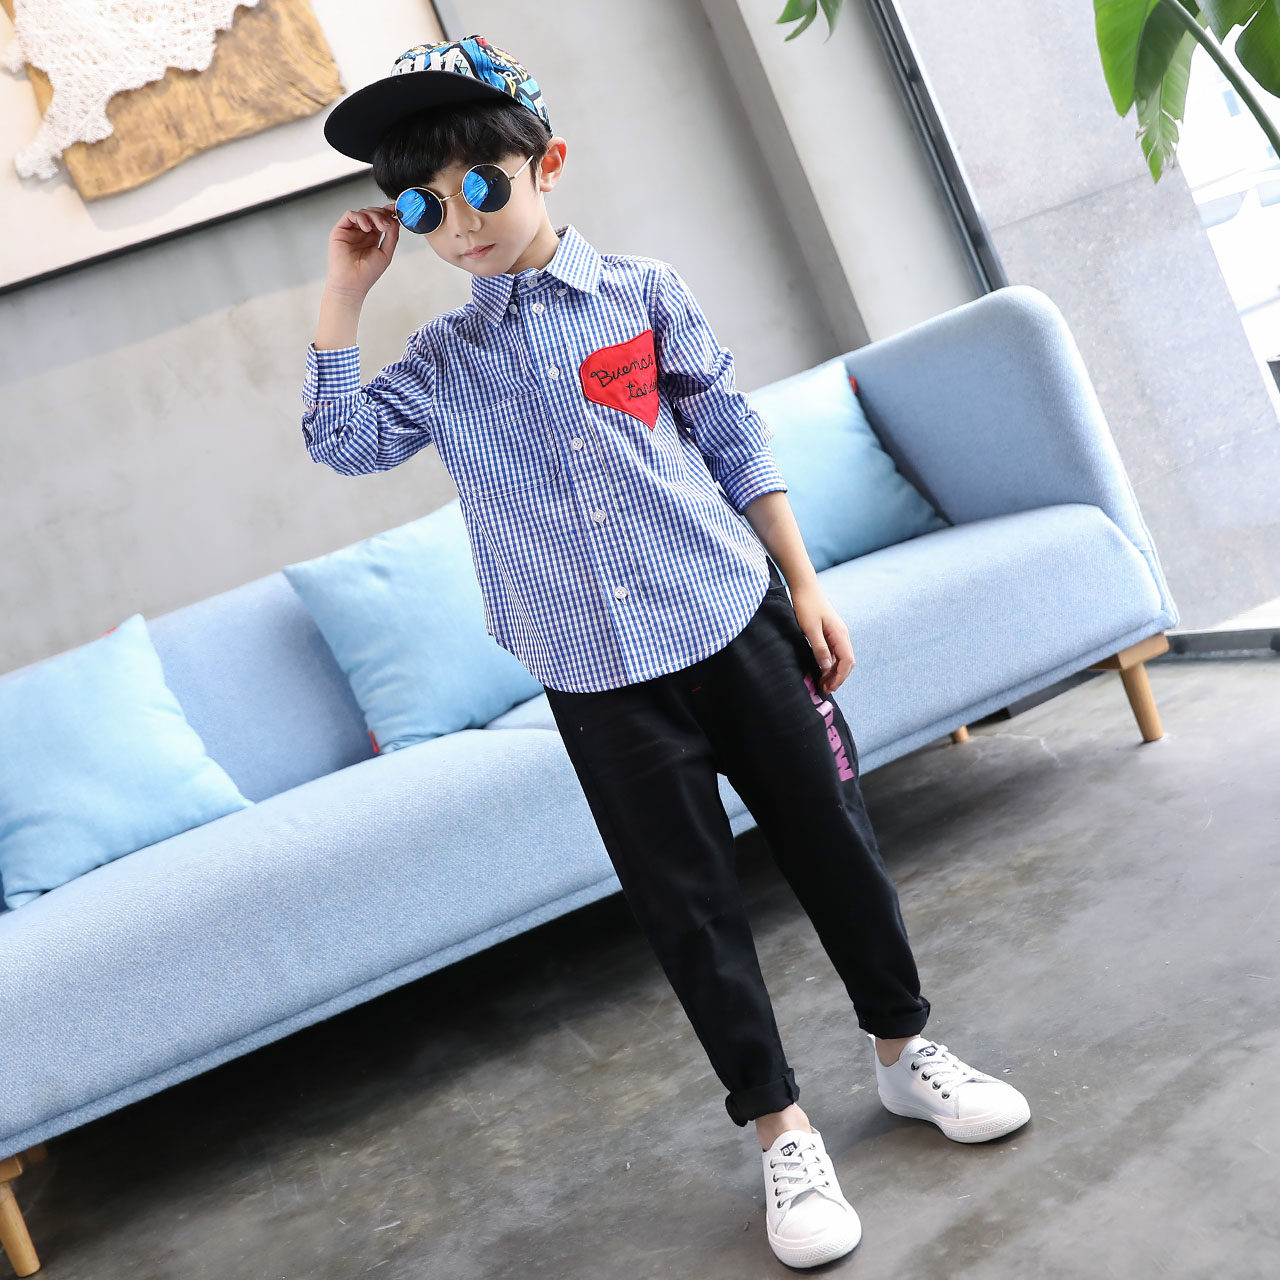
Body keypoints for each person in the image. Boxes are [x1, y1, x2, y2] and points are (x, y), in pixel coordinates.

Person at [303, 33, 1031, 1269]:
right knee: (685, 908)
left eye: (481, 186)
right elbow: (341, 443)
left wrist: (802, 586)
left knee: (834, 842)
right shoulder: (439, 365)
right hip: (596, 679)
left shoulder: (642, 291)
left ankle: (905, 1050)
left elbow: (731, 437)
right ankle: (779, 1129)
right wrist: (344, 296)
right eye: (424, 207)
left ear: (546, 164)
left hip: (731, 616)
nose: (459, 225)